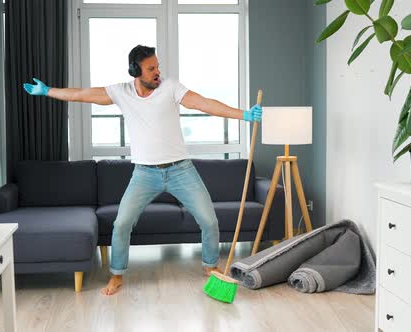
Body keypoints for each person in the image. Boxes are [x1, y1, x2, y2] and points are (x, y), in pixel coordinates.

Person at [23, 45, 262, 296]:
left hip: (181, 170)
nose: (157, 72)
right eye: (151, 68)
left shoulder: (170, 87)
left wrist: (244, 115)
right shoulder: (121, 92)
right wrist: (48, 91)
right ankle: (117, 275)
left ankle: (210, 267)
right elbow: (82, 94)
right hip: (144, 175)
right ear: (135, 71)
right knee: (122, 223)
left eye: (157, 66)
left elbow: (204, 104)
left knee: (209, 220)